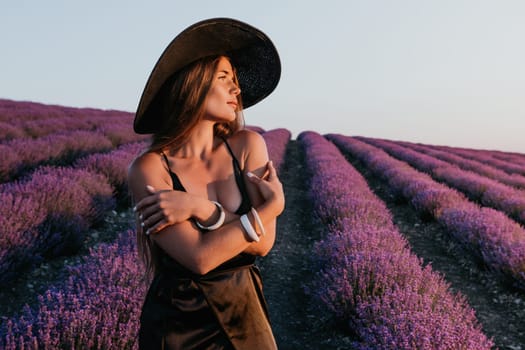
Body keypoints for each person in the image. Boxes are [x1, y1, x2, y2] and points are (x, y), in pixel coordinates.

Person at [127, 18, 284, 349]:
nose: (236, 89)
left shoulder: (248, 146)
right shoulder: (150, 168)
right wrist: (269, 208)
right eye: (224, 78)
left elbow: (263, 244)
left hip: (246, 314)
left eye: (236, 80)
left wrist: (201, 209)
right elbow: (200, 258)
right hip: (178, 325)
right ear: (192, 84)